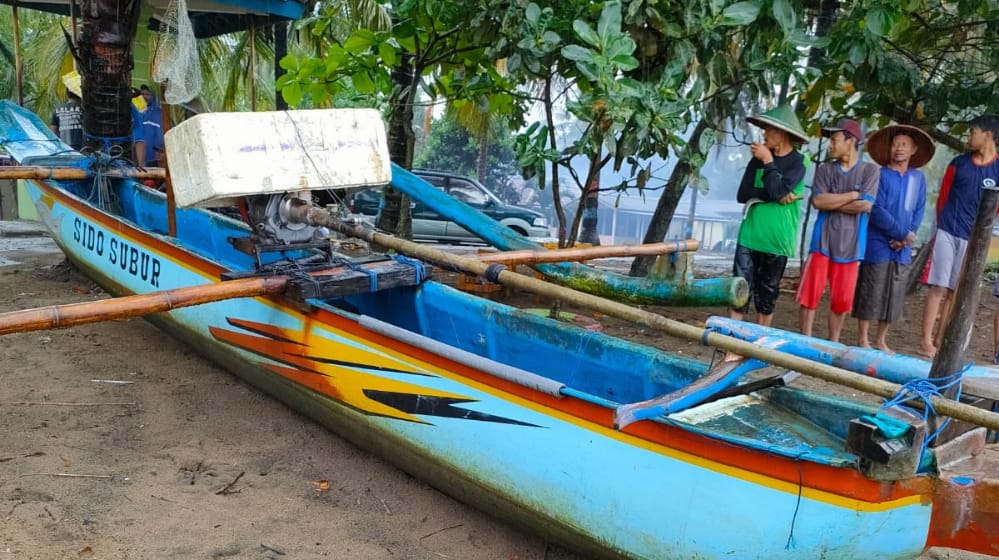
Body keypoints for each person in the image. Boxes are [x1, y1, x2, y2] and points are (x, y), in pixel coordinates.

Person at [920, 114, 999, 357]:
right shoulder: (958, 163)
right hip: (947, 231)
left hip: (973, 239)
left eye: (973, 131)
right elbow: (943, 199)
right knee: (938, 288)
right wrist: (942, 226)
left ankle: (942, 339)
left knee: (955, 291)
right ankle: (925, 341)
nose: (969, 136)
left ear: (987, 135)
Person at [796, 118, 879, 342]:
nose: (830, 145)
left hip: (852, 244)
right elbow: (819, 202)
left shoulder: (869, 171)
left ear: (851, 141)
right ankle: (806, 340)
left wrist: (836, 201)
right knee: (809, 294)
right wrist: (853, 194)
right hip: (821, 241)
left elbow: (865, 205)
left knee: (842, 299)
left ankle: (833, 342)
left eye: (834, 140)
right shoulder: (824, 170)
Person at [852, 125, 933, 353]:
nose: (899, 149)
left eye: (904, 145)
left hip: (903, 245)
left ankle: (881, 340)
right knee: (872, 286)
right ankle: (863, 338)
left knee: (894, 292)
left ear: (914, 149)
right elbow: (876, 209)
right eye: (896, 144)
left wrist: (909, 236)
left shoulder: (918, 178)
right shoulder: (879, 174)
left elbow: (919, 209)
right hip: (878, 241)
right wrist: (900, 234)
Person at [729, 106, 809, 327]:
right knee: (738, 292)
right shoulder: (756, 160)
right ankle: (731, 344)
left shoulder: (799, 163)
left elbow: (776, 191)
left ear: (781, 133)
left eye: (768, 130)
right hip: (749, 236)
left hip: (777, 240)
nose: (763, 135)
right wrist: (776, 195)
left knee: (767, 297)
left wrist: (768, 163)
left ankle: (757, 349)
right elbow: (743, 194)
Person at [50, 73, 84, 151]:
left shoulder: (57, 110)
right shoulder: (84, 109)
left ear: (67, 93)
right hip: (83, 148)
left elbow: (53, 133)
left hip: (65, 149)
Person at [139, 85, 166, 167]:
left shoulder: (159, 114)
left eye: (147, 94)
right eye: (142, 94)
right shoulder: (142, 114)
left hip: (156, 159)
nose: (144, 97)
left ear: (153, 96)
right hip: (142, 158)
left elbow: (161, 137)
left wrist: (159, 153)